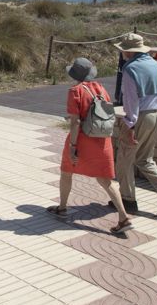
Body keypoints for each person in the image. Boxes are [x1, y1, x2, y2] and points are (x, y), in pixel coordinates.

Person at [48, 58, 133, 233]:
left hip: (83, 139)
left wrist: (73, 146)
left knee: (66, 171)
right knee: (105, 180)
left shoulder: (75, 91)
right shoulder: (101, 89)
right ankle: (123, 217)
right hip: (102, 140)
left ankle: (62, 207)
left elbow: (75, 122)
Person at [113, 33, 157, 213]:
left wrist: (129, 125)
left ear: (128, 51)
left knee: (124, 160)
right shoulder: (155, 65)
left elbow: (131, 101)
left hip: (139, 117)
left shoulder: (130, 69)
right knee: (145, 159)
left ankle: (127, 200)